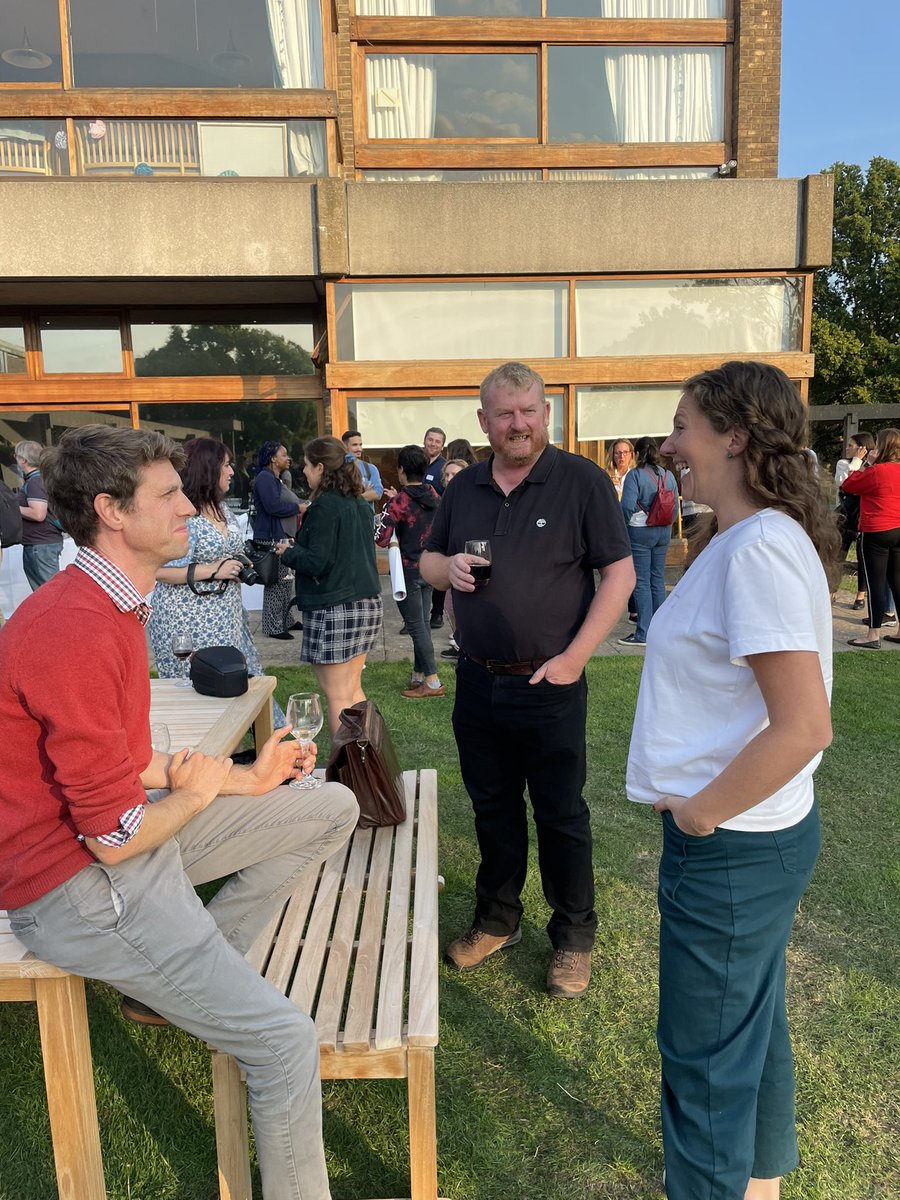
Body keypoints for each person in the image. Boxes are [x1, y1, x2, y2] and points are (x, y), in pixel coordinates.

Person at [0, 425, 358, 1200]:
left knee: (331, 804)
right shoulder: (73, 627)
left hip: (122, 847)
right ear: (111, 511)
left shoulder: (110, 604)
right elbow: (113, 837)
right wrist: (197, 793)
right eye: (167, 495)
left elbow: (129, 766)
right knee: (282, 1040)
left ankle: (192, 969)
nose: (188, 509)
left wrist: (248, 779)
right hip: (76, 888)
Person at [626, 361, 838, 1200]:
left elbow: (804, 725)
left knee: (704, 1062)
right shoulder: (744, 538)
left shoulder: (758, 550)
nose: (670, 443)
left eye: (684, 425)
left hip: (732, 846)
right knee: (749, 1026)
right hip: (753, 839)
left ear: (736, 437)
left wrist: (699, 815)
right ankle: (759, 1186)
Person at [421, 361, 634, 998]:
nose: (518, 424)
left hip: (550, 684)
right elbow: (428, 557)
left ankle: (573, 936)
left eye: (528, 411)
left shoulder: (581, 480)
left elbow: (619, 575)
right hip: (477, 681)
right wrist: (446, 570)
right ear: (483, 421)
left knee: (561, 813)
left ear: (546, 414)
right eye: (504, 413)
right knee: (492, 807)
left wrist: (575, 659)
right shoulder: (464, 487)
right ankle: (497, 920)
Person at [148, 437, 287, 725]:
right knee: (202, 688)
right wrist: (213, 570)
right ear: (208, 469)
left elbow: (230, 550)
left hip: (227, 614)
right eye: (226, 465)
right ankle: (209, 746)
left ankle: (263, 740)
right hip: (186, 618)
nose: (232, 471)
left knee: (243, 679)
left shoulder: (222, 508)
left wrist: (245, 563)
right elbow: (158, 570)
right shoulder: (182, 513)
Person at [278, 437, 383, 736]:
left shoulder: (325, 505)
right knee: (352, 690)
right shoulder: (359, 503)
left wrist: (288, 552)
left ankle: (346, 761)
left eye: (307, 465)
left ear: (321, 467)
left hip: (335, 606)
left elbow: (317, 562)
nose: (303, 471)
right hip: (366, 602)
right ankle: (365, 756)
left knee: (337, 695)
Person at [376, 444, 443, 698]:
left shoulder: (399, 501)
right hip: (431, 567)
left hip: (408, 571)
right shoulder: (435, 495)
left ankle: (433, 682)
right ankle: (418, 675)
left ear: (401, 470)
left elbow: (381, 538)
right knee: (422, 624)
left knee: (416, 626)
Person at [841, 426, 900, 648]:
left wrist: (863, 463)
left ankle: (873, 635)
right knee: (897, 581)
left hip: (876, 530)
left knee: (875, 582)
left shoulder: (876, 471)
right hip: (899, 527)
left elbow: (849, 485)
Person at [619, 437, 678, 647]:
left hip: (640, 532)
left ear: (636, 454)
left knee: (642, 581)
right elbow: (675, 508)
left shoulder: (635, 475)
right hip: (664, 531)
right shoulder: (669, 475)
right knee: (658, 579)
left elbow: (627, 506)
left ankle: (643, 632)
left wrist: (623, 526)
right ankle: (659, 629)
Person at [252, 441, 301, 640]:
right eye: (284, 455)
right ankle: (273, 626)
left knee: (286, 580)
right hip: (272, 538)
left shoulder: (274, 478)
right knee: (276, 582)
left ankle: (286, 619)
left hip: (282, 536)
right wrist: (298, 508)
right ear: (273, 458)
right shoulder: (265, 478)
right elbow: (272, 507)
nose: (288, 458)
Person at [14, 440, 64, 590]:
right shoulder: (39, 479)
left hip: (40, 546)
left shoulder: (35, 481)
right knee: (47, 592)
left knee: (49, 592)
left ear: (23, 460)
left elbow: (38, 514)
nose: (15, 459)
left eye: (16, 455)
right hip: (41, 545)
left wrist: (12, 508)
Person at [834, 431, 874, 610]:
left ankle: (861, 594)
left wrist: (866, 464)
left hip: (863, 514)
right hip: (846, 514)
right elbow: (843, 482)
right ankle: (832, 589)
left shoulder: (873, 466)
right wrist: (857, 461)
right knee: (838, 553)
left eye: (851, 445)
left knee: (862, 555)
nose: (847, 448)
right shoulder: (843, 463)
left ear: (862, 448)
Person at [438, 458, 471, 661]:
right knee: (450, 607)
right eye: (447, 475)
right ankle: (461, 645)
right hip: (449, 563)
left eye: (455, 474)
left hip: (470, 564)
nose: (450, 478)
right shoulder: (444, 502)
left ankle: (467, 647)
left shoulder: (473, 502)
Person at [342, 429, 384, 513]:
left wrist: (351, 500)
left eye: (360, 445)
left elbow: (378, 493)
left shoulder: (370, 468)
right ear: (345, 446)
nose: (359, 449)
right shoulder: (339, 468)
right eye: (354, 445)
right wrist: (366, 494)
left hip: (367, 518)